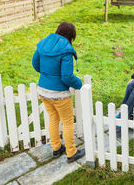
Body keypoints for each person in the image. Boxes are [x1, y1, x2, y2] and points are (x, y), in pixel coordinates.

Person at [32, 22, 85, 163]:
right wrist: (79, 84)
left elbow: (35, 64)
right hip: (59, 94)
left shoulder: (43, 43)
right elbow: (66, 77)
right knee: (68, 122)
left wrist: (47, 74)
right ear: (71, 36)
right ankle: (71, 152)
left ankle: (56, 148)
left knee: (53, 118)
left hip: (43, 90)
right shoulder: (66, 49)